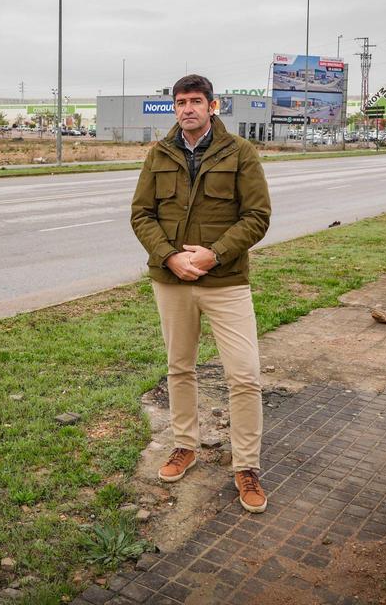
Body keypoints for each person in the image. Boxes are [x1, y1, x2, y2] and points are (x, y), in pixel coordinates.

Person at [129, 75, 272, 512]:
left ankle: (246, 466)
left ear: (213, 106)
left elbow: (257, 216)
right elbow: (141, 214)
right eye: (180, 102)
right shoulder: (159, 153)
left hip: (225, 282)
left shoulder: (240, 153)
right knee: (180, 369)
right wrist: (170, 257)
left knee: (244, 375)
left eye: (195, 101)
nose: (187, 108)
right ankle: (184, 446)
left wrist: (214, 254)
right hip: (172, 281)